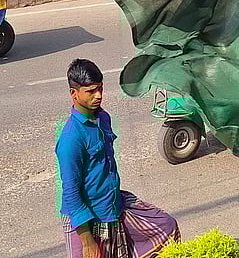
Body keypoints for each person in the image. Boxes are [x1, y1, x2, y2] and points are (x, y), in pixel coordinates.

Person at [57, 59, 179, 257]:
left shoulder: (103, 118)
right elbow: (71, 193)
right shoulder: (71, 138)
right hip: (86, 222)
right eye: (90, 91)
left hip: (112, 206)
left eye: (100, 89)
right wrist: (87, 242)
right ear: (74, 94)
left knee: (166, 227)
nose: (98, 96)